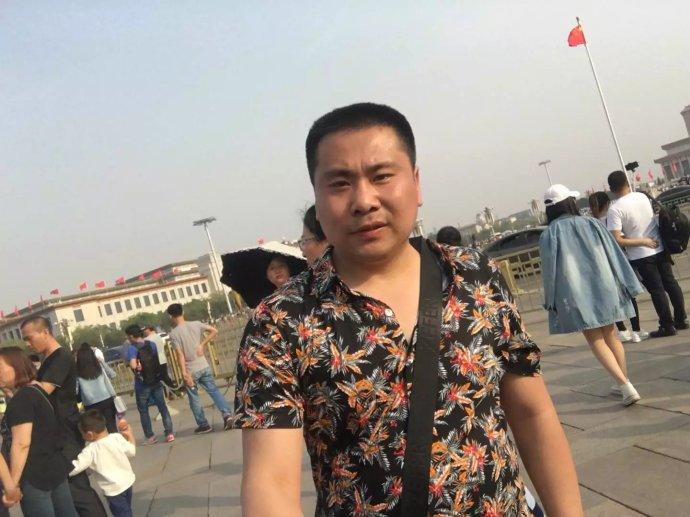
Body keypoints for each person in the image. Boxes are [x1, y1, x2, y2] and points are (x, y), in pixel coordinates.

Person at [235, 103, 583, 515]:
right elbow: (270, 483)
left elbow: (532, 413)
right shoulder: (280, 322)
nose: (364, 200)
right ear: (317, 198)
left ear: (416, 183)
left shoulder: (474, 276)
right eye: (340, 184)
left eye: (382, 176)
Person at [540, 184, 643, 405]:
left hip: (576, 293)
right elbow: (614, 254)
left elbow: (549, 272)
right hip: (605, 285)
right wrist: (627, 282)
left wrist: (549, 300)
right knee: (611, 335)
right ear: (570, 203)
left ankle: (624, 385)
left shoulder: (550, 234)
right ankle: (623, 382)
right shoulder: (592, 223)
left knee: (595, 339)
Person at [20, 316, 107, 517]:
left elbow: (43, 391)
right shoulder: (49, 359)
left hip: (65, 432)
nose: (27, 344)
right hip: (57, 430)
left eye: (29, 338)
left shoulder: (60, 357)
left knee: (77, 489)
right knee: (69, 491)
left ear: (45, 332)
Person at [607, 170, 688, 337]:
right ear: (627, 182)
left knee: (657, 290)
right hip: (660, 248)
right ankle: (681, 319)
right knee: (671, 283)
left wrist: (643, 241)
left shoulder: (615, 209)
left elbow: (617, 239)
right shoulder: (642, 196)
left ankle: (667, 326)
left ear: (612, 189)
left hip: (641, 255)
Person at [0, 347, 77, 516]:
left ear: (16, 366)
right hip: (54, 467)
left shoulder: (21, 400)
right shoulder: (36, 391)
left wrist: (13, 484)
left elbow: (21, 444)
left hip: (34, 475)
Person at [588, 191, 649, 343]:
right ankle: (636, 330)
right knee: (629, 297)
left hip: (601, 266)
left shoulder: (590, 224)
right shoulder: (611, 219)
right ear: (607, 204)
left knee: (612, 299)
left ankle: (622, 330)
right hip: (619, 263)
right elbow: (621, 239)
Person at [166, 304, 232, 434]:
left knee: (194, 398)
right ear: (183, 312)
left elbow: (180, 354)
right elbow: (214, 331)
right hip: (204, 365)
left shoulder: (174, 334)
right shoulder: (196, 324)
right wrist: (202, 344)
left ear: (171, 316)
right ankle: (227, 415)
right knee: (214, 391)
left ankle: (203, 424)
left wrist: (184, 373)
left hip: (191, 370)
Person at [69, 411, 135, 517]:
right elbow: (132, 452)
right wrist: (130, 435)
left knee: (123, 513)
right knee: (126, 510)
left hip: (113, 491)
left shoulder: (90, 450)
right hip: (128, 482)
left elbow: (75, 467)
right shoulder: (116, 437)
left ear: (89, 434)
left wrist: (61, 470)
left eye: (82, 434)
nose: (82, 437)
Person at [124, 325, 174, 445]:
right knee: (162, 407)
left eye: (128, 337)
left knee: (143, 411)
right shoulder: (151, 344)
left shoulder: (132, 348)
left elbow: (133, 365)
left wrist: (133, 363)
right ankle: (169, 433)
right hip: (155, 380)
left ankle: (150, 437)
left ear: (131, 336)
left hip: (142, 384)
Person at [75, 343, 118, 433]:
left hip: (90, 404)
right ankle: (115, 441)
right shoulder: (99, 366)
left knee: (97, 431)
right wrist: (102, 362)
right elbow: (113, 375)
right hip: (106, 399)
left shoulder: (77, 372)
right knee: (112, 427)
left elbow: (76, 390)